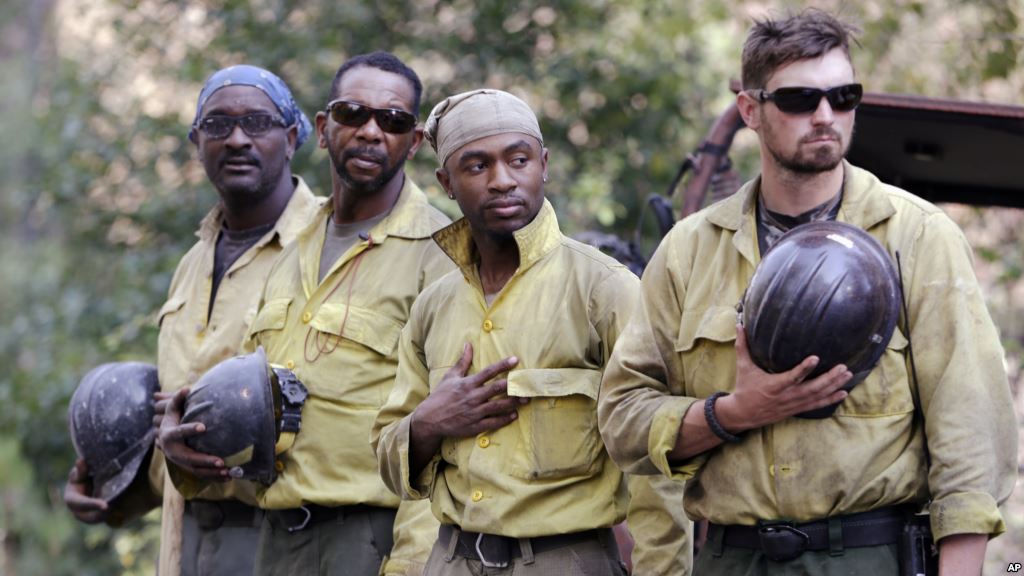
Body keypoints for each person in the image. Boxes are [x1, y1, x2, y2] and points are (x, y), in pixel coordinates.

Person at [597, 9, 1017, 575]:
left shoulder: (917, 236)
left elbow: (972, 441)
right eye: (799, 100)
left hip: (868, 555)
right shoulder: (691, 250)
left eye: (843, 96)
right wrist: (732, 413)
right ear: (751, 110)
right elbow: (623, 419)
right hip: (732, 558)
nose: (825, 115)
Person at [163, 51, 453, 576]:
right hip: (276, 538)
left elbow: (448, 440)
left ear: (413, 143)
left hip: (369, 539)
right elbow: (261, 407)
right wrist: (186, 446)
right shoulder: (290, 250)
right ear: (322, 128)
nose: (369, 131)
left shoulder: (442, 254)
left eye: (392, 121)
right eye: (351, 114)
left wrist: (411, 565)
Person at [372, 88, 641, 575]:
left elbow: (654, 465)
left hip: (567, 562)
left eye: (518, 160)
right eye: (476, 166)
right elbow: (388, 461)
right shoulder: (434, 305)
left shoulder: (604, 289)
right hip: (450, 560)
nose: (502, 181)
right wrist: (430, 422)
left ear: (544, 164)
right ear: (446, 182)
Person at [65, 64, 321, 576]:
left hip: (284, 539)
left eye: (257, 122)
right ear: (196, 142)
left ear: (291, 138)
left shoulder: (328, 248)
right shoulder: (193, 263)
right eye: (218, 125)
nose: (238, 139)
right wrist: (112, 493)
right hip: (186, 542)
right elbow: (178, 426)